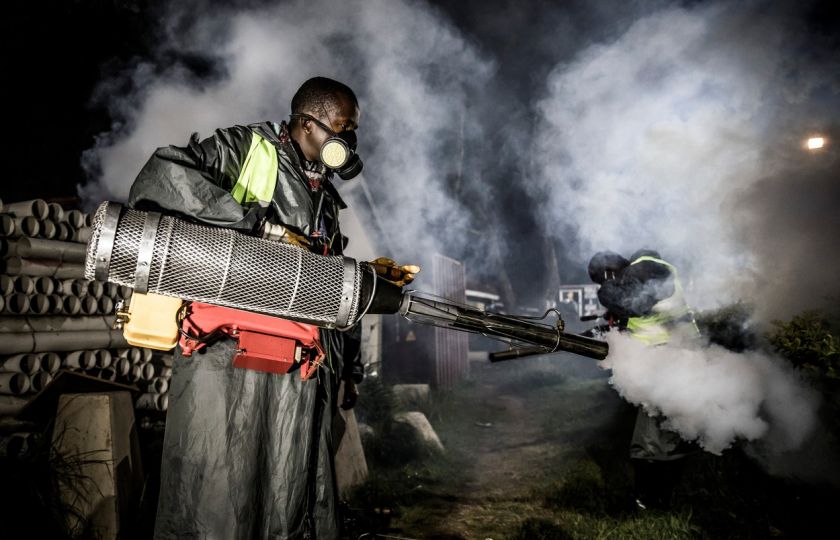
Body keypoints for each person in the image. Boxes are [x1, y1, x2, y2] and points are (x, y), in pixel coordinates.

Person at [128, 77, 401, 539]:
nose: (349, 141)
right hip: (229, 360)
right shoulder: (245, 149)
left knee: (288, 489)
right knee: (219, 486)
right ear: (306, 123)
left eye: (352, 130)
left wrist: (349, 364)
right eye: (342, 128)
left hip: (298, 368)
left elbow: (326, 288)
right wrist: (257, 226)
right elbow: (161, 176)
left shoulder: (324, 195)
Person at [588, 248, 700, 509]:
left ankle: (650, 500)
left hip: (669, 356)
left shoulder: (648, 266)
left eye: (604, 279)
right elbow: (640, 314)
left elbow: (634, 303)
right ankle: (659, 498)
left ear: (607, 271)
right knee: (665, 432)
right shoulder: (641, 273)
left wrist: (607, 292)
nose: (607, 284)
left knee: (651, 438)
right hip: (663, 357)